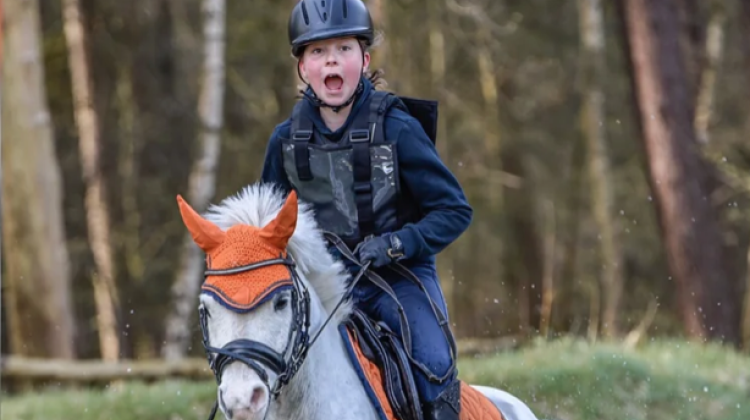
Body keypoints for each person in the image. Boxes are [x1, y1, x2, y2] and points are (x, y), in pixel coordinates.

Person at [260, 1, 473, 419]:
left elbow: (454, 210)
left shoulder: (399, 128)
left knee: (435, 365)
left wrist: (396, 243)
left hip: (399, 275)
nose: (331, 60)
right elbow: (268, 230)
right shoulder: (283, 142)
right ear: (302, 67)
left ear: (365, 58)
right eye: (318, 52)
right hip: (322, 283)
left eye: (343, 48)